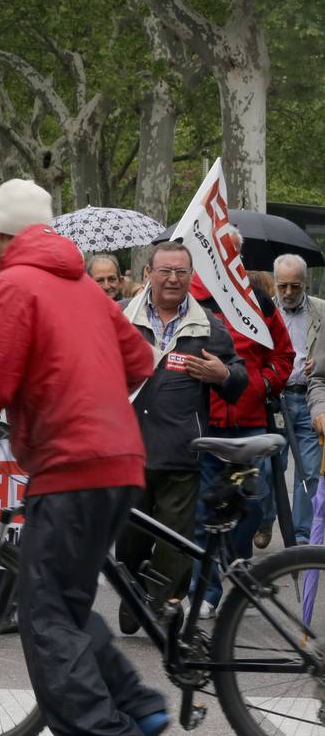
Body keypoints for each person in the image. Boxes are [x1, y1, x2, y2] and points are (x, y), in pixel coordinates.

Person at [0, 179, 167, 736]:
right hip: (121, 460)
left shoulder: (13, 284)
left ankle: (105, 729)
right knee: (66, 604)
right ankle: (139, 704)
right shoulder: (86, 286)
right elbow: (140, 360)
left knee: (44, 615)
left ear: (2, 234)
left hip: (68, 465)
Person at [115, 242, 246, 635]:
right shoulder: (120, 317)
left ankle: (162, 609)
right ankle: (132, 594)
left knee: (175, 541)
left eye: (181, 272)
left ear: (191, 276)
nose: (173, 279)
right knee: (130, 537)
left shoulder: (209, 326)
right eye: (165, 271)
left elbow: (238, 378)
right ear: (148, 274)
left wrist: (224, 375)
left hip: (181, 453)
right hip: (128, 450)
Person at [187, 230, 294, 618]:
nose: (227, 259)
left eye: (233, 253)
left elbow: (283, 356)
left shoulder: (258, 301)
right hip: (206, 423)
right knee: (204, 511)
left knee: (253, 505)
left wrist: (261, 384)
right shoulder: (191, 300)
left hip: (250, 423)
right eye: (220, 252)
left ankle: (237, 562)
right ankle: (207, 591)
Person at [267, 253, 324, 544]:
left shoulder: (321, 311)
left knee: (309, 471)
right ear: (275, 282)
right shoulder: (263, 312)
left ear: (305, 283)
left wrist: (321, 362)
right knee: (270, 467)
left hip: (309, 398)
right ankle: (265, 520)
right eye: (283, 286)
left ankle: (301, 536)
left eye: (295, 286)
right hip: (275, 401)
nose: (288, 292)